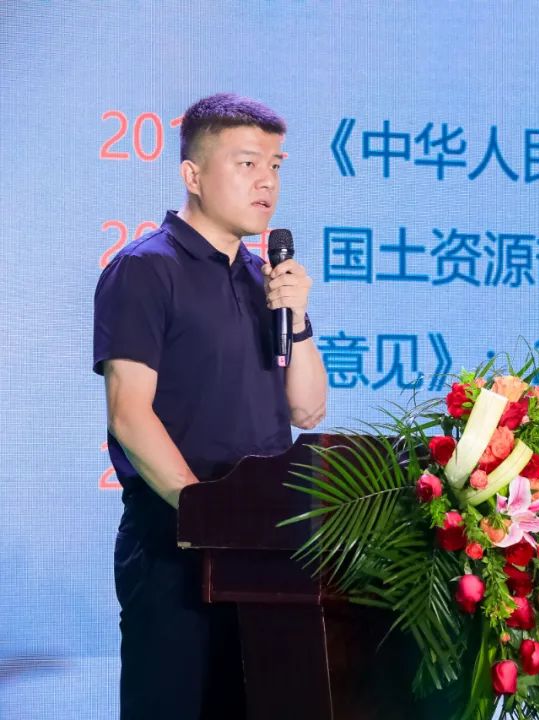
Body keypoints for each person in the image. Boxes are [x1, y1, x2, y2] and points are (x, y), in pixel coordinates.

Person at [92, 93, 328, 719]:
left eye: (275, 165)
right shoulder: (146, 269)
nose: (267, 182)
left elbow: (308, 412)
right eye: (247, 163)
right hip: (175, 547)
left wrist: (298, 317)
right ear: (192, 175)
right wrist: (210, 516)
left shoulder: (263, 277)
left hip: (265, 551)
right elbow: (129, 413)